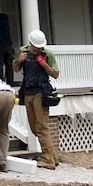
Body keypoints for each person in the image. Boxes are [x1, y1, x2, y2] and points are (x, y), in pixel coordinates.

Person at [15, 30, 61, 169]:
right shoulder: (23, 51)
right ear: (30, 44)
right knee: (34, 128)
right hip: (28, 92)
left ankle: (48, 160)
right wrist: (19, 60)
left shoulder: (48, 54)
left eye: (40, 47)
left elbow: (55, 74)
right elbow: (16, 69)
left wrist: (44, 64)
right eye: (36, 47)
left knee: (42, 127)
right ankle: (53, 157)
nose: (39, 49)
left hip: (41, 93)